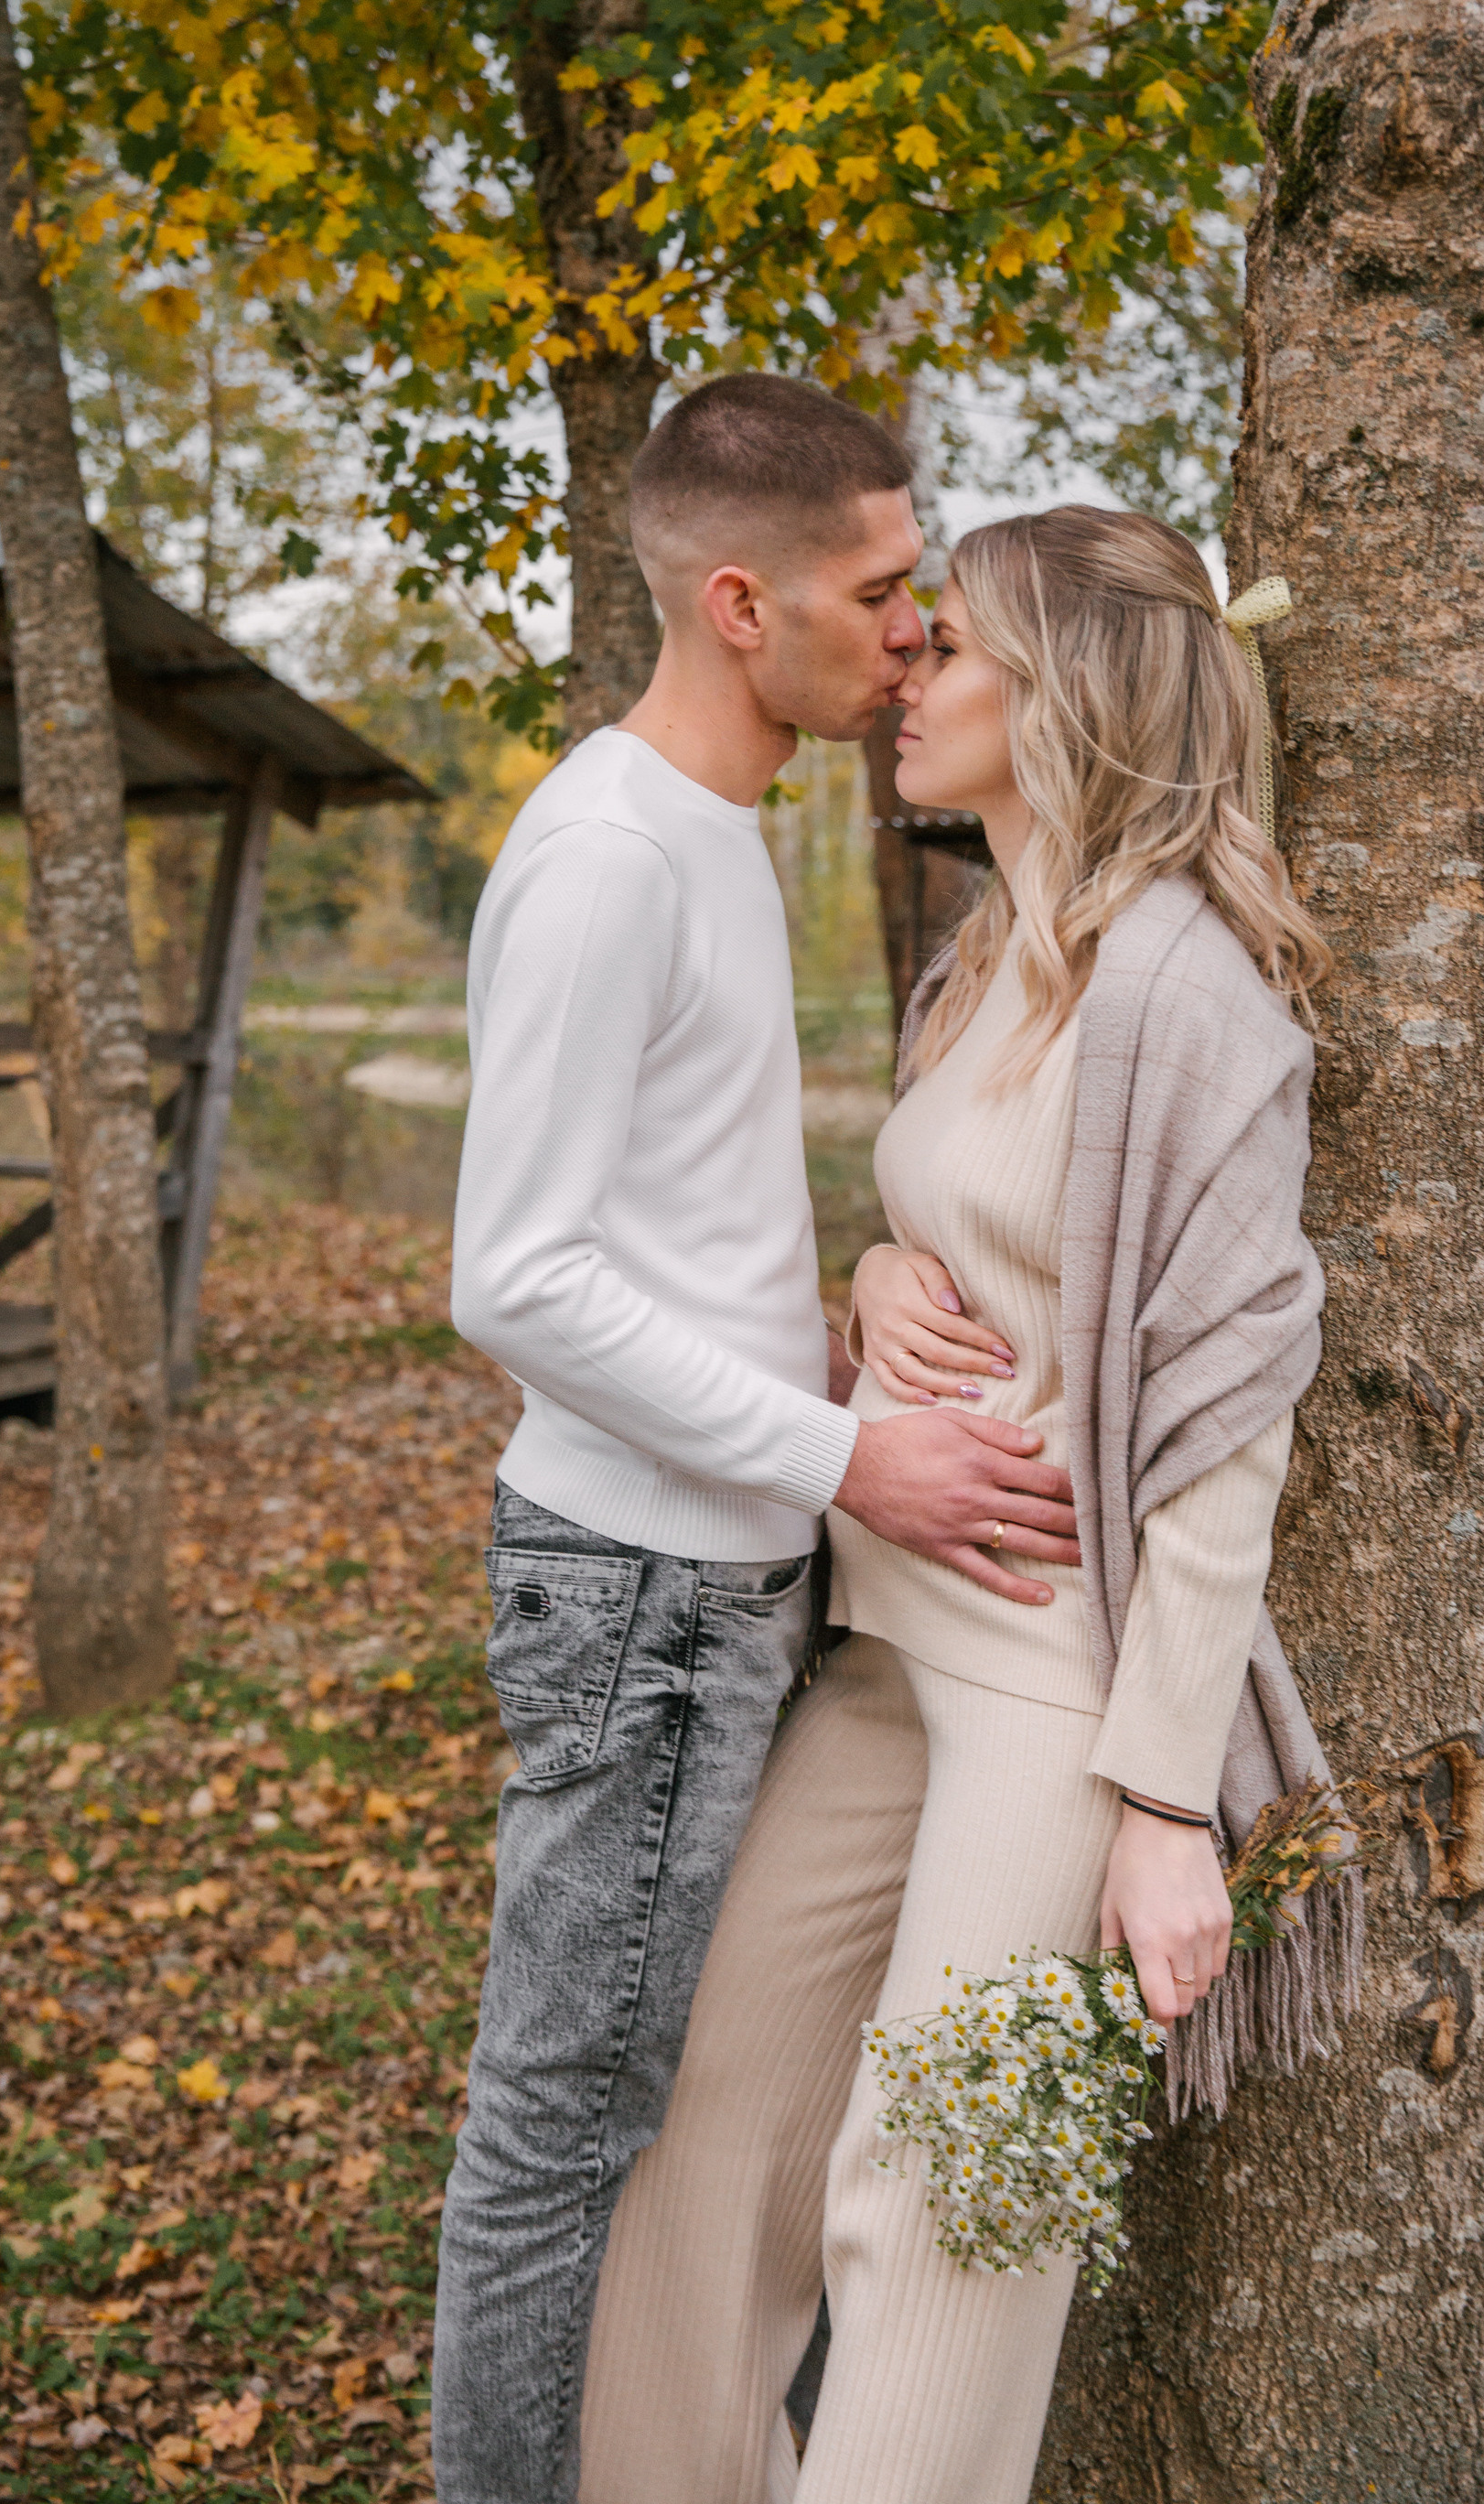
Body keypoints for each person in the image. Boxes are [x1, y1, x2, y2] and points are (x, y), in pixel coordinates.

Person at [577, 504, 1335, 2504]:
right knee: (707, 2152)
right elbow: (978, 1236)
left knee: (944, 2209)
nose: (905, 671)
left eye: (953, 648)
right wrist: (882, 1273)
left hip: (1057, 1701)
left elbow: (1224, 1425)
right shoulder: (989, 958)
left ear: (1067, 695)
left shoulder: (1195, 1004)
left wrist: (1166, 1800)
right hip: (883, 1651)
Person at [433, 376, 1089, 2504]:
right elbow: (513, 1274)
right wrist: (843, 1458)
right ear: (739, 600)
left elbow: (655, 1224)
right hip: (640, 1594)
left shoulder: (714, 840)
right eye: (883, 591)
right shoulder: (612, 852)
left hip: (728, 1579)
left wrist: (842, 1314)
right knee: (562, 2137)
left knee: (672, 2121)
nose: (911, 633)